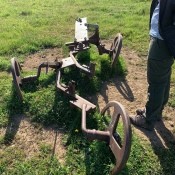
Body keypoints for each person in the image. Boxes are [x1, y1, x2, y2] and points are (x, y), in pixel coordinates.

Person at [130, 0, 175, 131]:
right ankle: (156, 111)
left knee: (156, 81)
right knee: (163, 79)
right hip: (164, 39)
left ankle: (148, 119)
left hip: (162, 40)